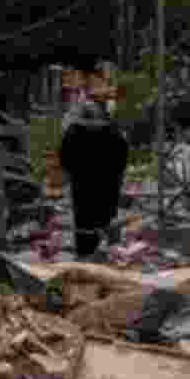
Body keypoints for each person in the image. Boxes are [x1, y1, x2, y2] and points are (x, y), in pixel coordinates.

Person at [58, 97, 130, 261]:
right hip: (108, 186)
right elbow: (123, 157)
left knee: (84, 223)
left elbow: (64, 158)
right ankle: (109, 253)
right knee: (106, 219)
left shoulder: (73, 132)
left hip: (82, 186)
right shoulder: (113, 132)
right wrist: (115, 176)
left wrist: (75, 173)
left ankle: (84, 255)